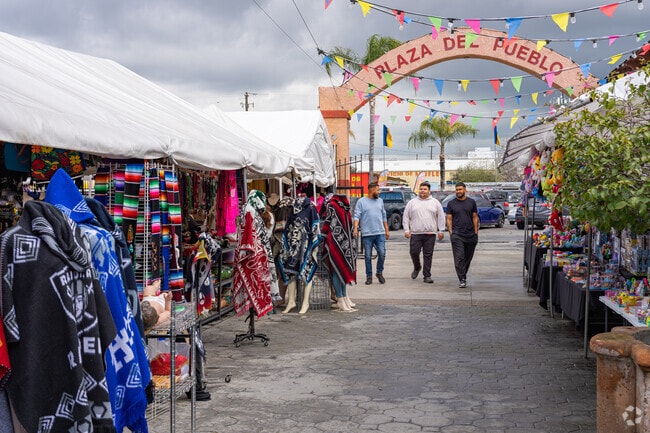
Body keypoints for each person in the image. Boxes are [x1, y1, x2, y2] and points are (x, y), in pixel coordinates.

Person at [402, 181, 445, 283]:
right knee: (414, 252)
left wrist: (441, 230)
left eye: (425, 189)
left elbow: (441, 216)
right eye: (421, 189)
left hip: (430, 234)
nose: (422, 191)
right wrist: (406, 230)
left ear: (429, 191)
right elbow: (406, 216)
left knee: (428, 255)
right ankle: (417, 267)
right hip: (416, 233)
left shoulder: (435, 202)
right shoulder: (412, 202)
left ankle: (427, 276)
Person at [353, 182, 389, 285]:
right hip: (367, 234)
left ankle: (379, 272)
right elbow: (357, 215)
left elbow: (384, 216)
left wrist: (386, 229)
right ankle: (369, 276)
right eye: (377, 190)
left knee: (382, 253)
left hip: (380, 233)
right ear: (371, 190)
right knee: (368, 256)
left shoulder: (380, 201)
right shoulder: (361, 202)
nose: (379, 192)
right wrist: (355, 228)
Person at [445, 182, 479, 288]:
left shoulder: (471, 202)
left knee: (467, 258)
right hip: (457, 235)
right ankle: (462, 278)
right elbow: (449, 219)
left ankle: (463, 274)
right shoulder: (451, 203)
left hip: (470, 235)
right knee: (459, 257)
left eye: (460, 189)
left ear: (465, 190)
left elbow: (474, 217)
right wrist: (451, 232)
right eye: (457, 190)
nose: (458, 191)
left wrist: (476, 232)